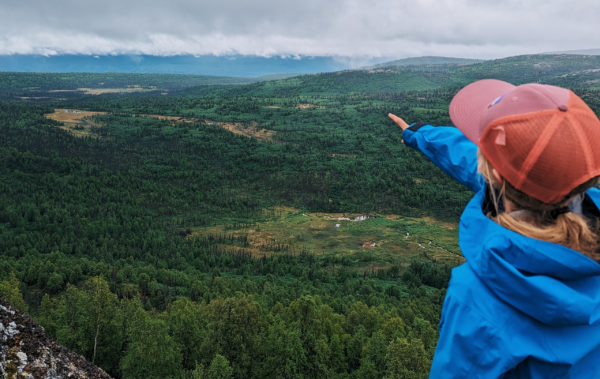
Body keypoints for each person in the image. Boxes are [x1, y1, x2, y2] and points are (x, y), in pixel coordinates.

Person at [389, 79, 600, 378]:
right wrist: (422, 136)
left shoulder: (479, 301)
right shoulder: (577, 198)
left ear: (497, 177)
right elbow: (480, 163)